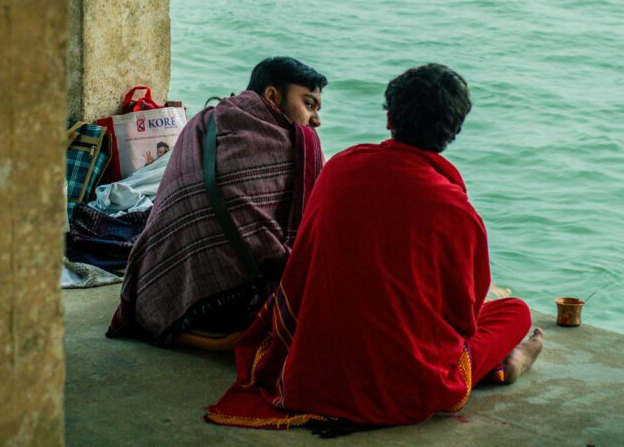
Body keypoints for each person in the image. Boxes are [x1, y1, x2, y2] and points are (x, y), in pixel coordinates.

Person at [206, 63, 544, 430]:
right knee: (515, 312)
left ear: (389, 120)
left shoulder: (340, 168)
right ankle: (506, 365)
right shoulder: (457, 211)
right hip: (404, 388)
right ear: (455, 131)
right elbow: (462, 321)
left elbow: (303, 267)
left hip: (312, 368)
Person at [107, 57, 326, 349]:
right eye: (308, 104)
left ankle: (195, 330)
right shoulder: (293, 145)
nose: (316, 120)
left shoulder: (205, 121)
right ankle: (228, 337)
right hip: (234, 297)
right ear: (272, 96)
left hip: (162, 285)